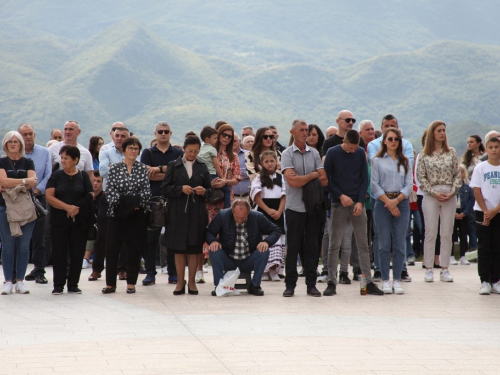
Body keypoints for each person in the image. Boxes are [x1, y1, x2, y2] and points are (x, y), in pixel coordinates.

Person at [323, 129, 383, 296]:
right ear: (344, 141)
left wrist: (360, 201)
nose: (352, 150)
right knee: (334, 245)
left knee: (364, 245)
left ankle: (367, 283)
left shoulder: (359, 153)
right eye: (350, 147)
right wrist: (340, 195)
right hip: (338, 203)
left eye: (355, 147)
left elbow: (365, 179)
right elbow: (325, 179)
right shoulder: (332, 153)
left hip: (357, 204)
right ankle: (331, 282)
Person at [281, 119, 328, 297]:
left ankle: (311, 284)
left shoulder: (314, 153)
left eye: (306, 129)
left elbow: (324, 180)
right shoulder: (286, 154)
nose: (305, 132)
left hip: (313, 208)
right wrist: (314, 174)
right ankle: (290, 285)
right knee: (292, 247)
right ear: (292, 132)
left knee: (312, 247)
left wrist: (304, 177)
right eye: (301, 130)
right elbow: (292, 182)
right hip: (294, 207)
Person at [160, 135, 212, 295]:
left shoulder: (202, 166)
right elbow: (164, 188)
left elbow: (211, 191)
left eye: (196, 151)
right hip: (177, 213)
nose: (193, 154)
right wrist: (180, 189)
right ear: (184, 149)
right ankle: (180, 282)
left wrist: (204, 191)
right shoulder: (173, 166)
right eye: (190, 151)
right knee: (179, 248)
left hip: (197, 213)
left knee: (195, 248)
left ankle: (192, 283)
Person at [367, 114, 414, 282]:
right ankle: (385, 279)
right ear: (384, 141)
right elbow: (374, 185)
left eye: (396, 139)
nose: (393, 141)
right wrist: (389, 202)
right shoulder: (377, 161)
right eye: (390, 139)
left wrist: (396, 201)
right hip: (382, 203)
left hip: (401, 203)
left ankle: (397, 279)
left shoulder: (406, 161)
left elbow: (409, 185)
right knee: (384, 243)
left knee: (400, 243)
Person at [102, 138, 151, 294]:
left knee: (134, 250)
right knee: (112, 250)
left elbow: (146, 193)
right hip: (116, 215)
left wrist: (132, 203)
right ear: (123, 150)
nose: (133, 151)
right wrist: (130, 202)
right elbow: (110, 192)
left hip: (136, 216)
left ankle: (131, 283)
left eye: (136, 148)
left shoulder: (142, 168)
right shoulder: (114, 168)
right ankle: (110, 283)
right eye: (130, 148)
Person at [46, 145, 95, 295]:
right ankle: (58, 284)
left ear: (76, 160)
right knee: (59, 252)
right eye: (62, 158)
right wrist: (67, 208)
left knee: (77, 252)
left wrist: (75, 208)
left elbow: (90, 195)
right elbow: (49, 197)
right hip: (59, 221)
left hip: (79, 221)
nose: (63, 160)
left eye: (66, 158)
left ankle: (73, 284)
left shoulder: (83, 176)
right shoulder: (56, 176)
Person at [417, 120, 462, 283]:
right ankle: (428, 268)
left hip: (449, 193)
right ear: (432, 133)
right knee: (430, 232)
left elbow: (458, 174)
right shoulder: (424, 154)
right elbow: (421, 177)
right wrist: (433, 192)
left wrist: (452, 191)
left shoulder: (451, 152)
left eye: (444, 130)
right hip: (431, 195)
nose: (442, 133)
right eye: (439, 131)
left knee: (447, 232)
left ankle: (445, 268)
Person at [206, 199, 281, 296]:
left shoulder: (257, 217)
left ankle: (255, 285)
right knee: (214, 250)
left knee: (264, 251)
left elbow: (276, 230)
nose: (240, 220)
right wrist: (213, 241)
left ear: (249, 213)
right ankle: (219, 286)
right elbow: (209, 232)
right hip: (228, 259)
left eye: (243, 217)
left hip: (248, 260)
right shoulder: (222, 215)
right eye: (237, 217)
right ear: (232, 211)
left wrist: (266, 242)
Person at [140, 121, 183, 286]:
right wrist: (169, 173)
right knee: (151, 239)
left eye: (166, 131)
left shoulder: (178, 152)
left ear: (171, 133)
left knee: (172, 238)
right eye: (160, 131)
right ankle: (150, 273)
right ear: (155, 134)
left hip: (174, 200)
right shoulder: (147, 152)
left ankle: (173, 273)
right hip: (153, 201)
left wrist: (157, 169)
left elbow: (180, 174)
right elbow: (146, 175)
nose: (163, 134)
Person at [0, 131, 38, 295]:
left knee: (23, 246)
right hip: (5, 208)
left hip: (25, 209)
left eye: (16, 141)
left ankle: (20, 281)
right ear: (6, 145)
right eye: (10, 142)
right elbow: (3, 181)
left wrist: (11, 184)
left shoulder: (28, 162)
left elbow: (33, 182)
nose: (13, 144)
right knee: (8, 246)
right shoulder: (1, 162)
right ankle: (8, 280)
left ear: (21, 144)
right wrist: (23, 181)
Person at [18, 124, 52, 285]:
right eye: (24, 134)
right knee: (19, 237)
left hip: (39, 198)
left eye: (30, 133)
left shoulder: (44, 152)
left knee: (40, 237)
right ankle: (16, 273)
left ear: (35, 134)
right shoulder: (14, 154)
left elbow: (48, 174)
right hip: (18, 200)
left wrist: (38, 190)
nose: (28, 137)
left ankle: (39, 270)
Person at [470, 136, 500, 295]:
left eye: (497, 146)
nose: (494, 150)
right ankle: (484, 280)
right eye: (491, 147)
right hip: (482, 212)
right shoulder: (480, 168)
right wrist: (486, 211)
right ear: (486, 149)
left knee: (497, 247)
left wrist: (494, 211)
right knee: (484, 247)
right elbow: (476, 190)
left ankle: (496, 279)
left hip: (498, 212)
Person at [251, 150, 286, 281]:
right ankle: (263, 271)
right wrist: (267, 210)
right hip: (263, 210)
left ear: (277, 162)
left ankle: (274, 270)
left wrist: (279, 211)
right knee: (263, 238)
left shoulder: (281, 177)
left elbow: (284, 195)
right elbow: (255, 196)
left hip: (278, 211)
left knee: (277, 238)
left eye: (272, 161)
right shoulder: (258, 177)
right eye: (266, 161)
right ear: (261, 163)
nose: (270, 163)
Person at [198, 126, 231, 208]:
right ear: (207, 139)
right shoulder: (212, 149)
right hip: (212, 175)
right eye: (215, 138)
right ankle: (227, 208)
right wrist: (222, 177)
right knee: (227, 190)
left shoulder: (200, 149)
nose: (216, 140)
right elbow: (216, 164)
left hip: (202, 175)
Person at [461, 134, 484, 252]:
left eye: (471, 142)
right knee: (470, 219)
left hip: (483, 191)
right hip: (469, 191)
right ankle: (473, 246)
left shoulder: (485, 157)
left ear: (478, 143)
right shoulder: (466, 159)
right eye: (468, 142)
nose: (469, 144)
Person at [452, 164, 473, 266]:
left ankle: (463, 256)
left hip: (463, 212)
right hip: (453, 211)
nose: (461, 174)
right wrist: (453, 212)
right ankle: (451, 256)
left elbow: (471, 200)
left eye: (463, 171)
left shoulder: (468, 187)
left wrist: (464, 213)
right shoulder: (452, 187)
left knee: (463, 234)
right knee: (452, 234)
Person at [82, 173, 103, 268]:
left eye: (98, 181)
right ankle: (85, 258)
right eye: (93, 181)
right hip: (89, 225)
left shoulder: (105, 197)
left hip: (102, 225)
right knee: (91, 228)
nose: (95, 183)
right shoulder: (86, 196)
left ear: (102, 183)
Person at [232, 133, 251, 199]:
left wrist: (234, 172)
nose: (232, 143)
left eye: (234, 141)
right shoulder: (224, 157)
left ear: (239, 141)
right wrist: (244, 172)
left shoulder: (248, 154)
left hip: (248, 196)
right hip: (232, 197)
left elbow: (252, 172)